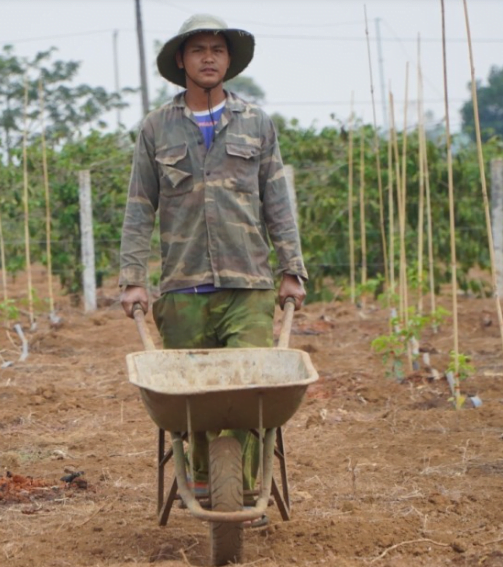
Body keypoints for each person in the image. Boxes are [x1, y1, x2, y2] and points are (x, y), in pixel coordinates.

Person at [119, 13, 307, 518]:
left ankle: (245, 485)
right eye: (198, 49)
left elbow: (277, 203)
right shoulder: (157, 128)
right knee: (194, 406)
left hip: (249, 286)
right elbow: (140, 206)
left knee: (251, 398)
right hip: (182, 290)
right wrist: (134, 280)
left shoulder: (256, 123)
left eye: (217, 50)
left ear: (228, 61)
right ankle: (203, 481)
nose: (208, 58)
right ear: (181, 60)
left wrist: (293, 269)